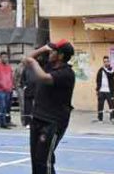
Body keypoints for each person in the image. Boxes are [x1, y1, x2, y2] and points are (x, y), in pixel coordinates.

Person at [22, 39, 75, 174]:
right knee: (36, 159)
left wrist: (33, 61)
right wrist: (42, 49)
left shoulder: (66, 73)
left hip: (52, 122)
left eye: (53, 51)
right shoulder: (48, 65)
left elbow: (44, 77)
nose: (49, 53)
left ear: (61, 56)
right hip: (38, 118)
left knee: (44, 160)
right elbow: (26, 59)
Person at [0, 52, 14, 129]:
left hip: (8, 89)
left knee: (6, 106)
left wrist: (11, 86)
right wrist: (2, 85)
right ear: (0, 58)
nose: (5, 59)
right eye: (3, 57)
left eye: (6, 57)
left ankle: (3, 123)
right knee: (2, 105)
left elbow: (10, 77)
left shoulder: (8, 66)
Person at [93, 56, 114, 124]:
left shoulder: (112, 69)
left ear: (109, 62)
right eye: (104, 61)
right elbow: (97, 80)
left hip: (109, 90)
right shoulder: (100, 70)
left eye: (107, 61)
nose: (106, 63)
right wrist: (97, 89)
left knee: (111, 105)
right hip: (101, 90)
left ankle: (112, 118)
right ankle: (100, 119)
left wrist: (104, 68)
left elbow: (110, 74)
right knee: (100, 105)